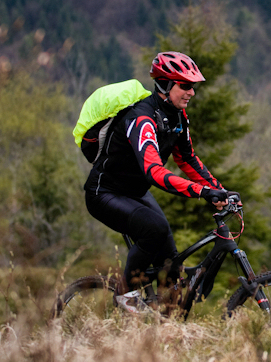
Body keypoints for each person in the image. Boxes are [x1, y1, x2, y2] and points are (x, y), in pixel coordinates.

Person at [83, 51, 229, 313]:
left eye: (193, 86)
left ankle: (164, 324)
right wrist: (202, 192)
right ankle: (125, 294)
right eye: (185, 86)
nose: (192, 92)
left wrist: (219, 190)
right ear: (165, 85)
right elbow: (154, 171)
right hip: (104, 193)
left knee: (171, 264)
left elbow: (187, 159)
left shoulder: (178, 117)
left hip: (136, 192)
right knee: (155, 229)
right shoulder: (142, 119)